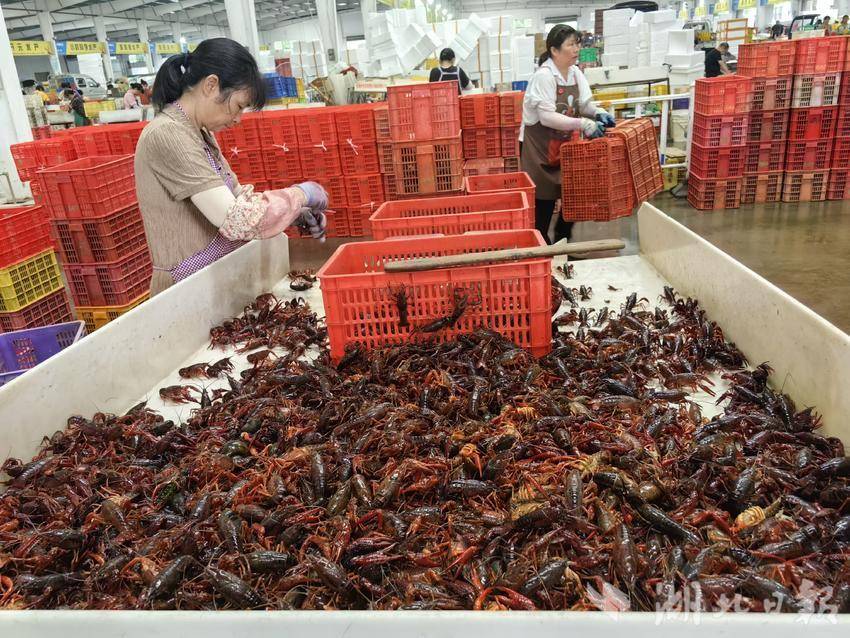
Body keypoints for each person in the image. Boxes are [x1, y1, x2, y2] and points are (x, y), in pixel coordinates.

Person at [134, 38, 328, 296]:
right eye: (237, 106)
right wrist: (301, 194)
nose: (237, 119)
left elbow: (237, 200)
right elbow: (236, 219)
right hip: (185, 293)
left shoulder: (199, 134)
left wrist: (293, 214)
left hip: (214, 281)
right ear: (211, 85)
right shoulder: (167, 134)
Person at [519, 24, 613, 244]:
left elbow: (584, 104)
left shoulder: (575, 73)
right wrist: (582, 124)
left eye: (577, 43)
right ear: (554, 50)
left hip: (564, 149)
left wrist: (597, 112)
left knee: (574, 195)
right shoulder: (544, 76)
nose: (576, 49)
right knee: (543, 203)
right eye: (570, 44)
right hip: (539, 151)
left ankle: (562, 238)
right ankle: (543, 247)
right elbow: (546, 118)